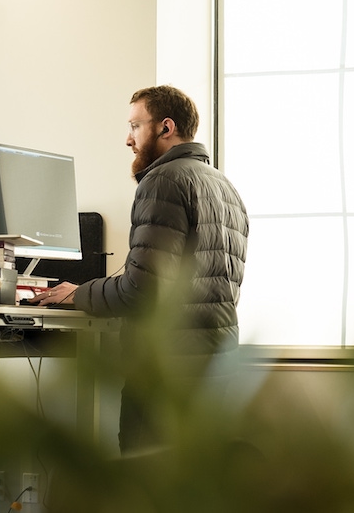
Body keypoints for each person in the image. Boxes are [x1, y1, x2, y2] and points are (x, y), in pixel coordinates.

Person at [29, 85, 249, 454]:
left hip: (168, 374)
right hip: (217, 370)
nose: (127, 139)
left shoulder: (163, 180)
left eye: (135, 126)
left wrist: (77, 293)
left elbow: (142, 290)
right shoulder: (225, 187)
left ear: (165, 128)